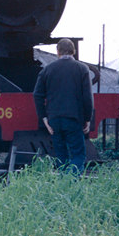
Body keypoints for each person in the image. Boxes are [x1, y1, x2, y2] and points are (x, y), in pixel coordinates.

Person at [33, 38, 94, 176]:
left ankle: (64, 185)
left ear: (57, 52)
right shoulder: (82, 69)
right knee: (78, 155)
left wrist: (44, 119)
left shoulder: (47, 69)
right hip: (73, 119)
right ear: (74, 51)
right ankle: (71, 182)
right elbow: (87, 97)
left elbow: (37, 95)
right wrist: (88, 118)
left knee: (61, 157)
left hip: (54, 120)